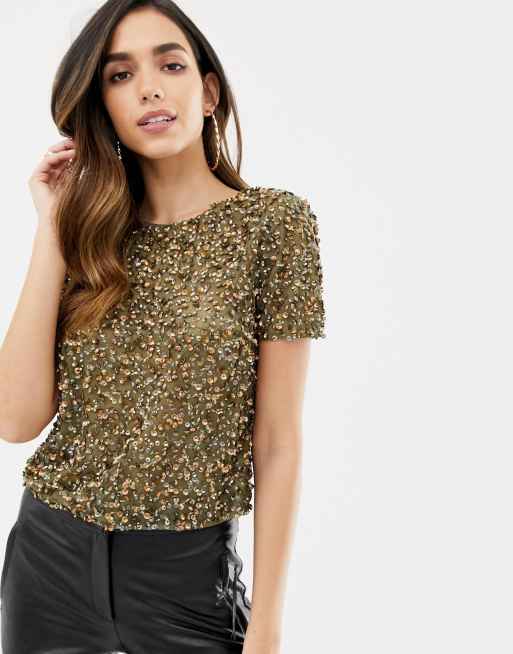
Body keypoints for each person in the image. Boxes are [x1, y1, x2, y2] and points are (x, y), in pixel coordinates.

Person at [0, 1, 326, 652]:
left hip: (188, 580)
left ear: (208, 92)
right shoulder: (89, 236)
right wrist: (53, 230)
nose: (148, 87)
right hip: (48, 563)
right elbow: (15, 419)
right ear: (104, 109)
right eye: (120, 76)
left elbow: (277, 440)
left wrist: (265, 626)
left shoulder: (273, 224)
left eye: (169, 65)